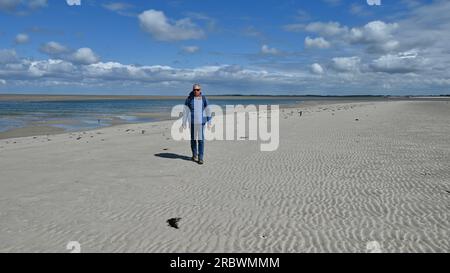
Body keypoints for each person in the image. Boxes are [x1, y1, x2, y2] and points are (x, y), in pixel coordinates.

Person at [182, 84, 212, 165]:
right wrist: (184, 121)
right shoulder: (189, 99)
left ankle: (201, 158)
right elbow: (185, 111)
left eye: (198, 90)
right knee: (193, 140)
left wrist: (209, 121)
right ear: (192, 90)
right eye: (195, 89)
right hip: (192, 122)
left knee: (200, 140)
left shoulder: (204, 98)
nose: (196, 91)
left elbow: (208, 109)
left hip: (201, 122)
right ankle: (194, 155)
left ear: (200, 90)